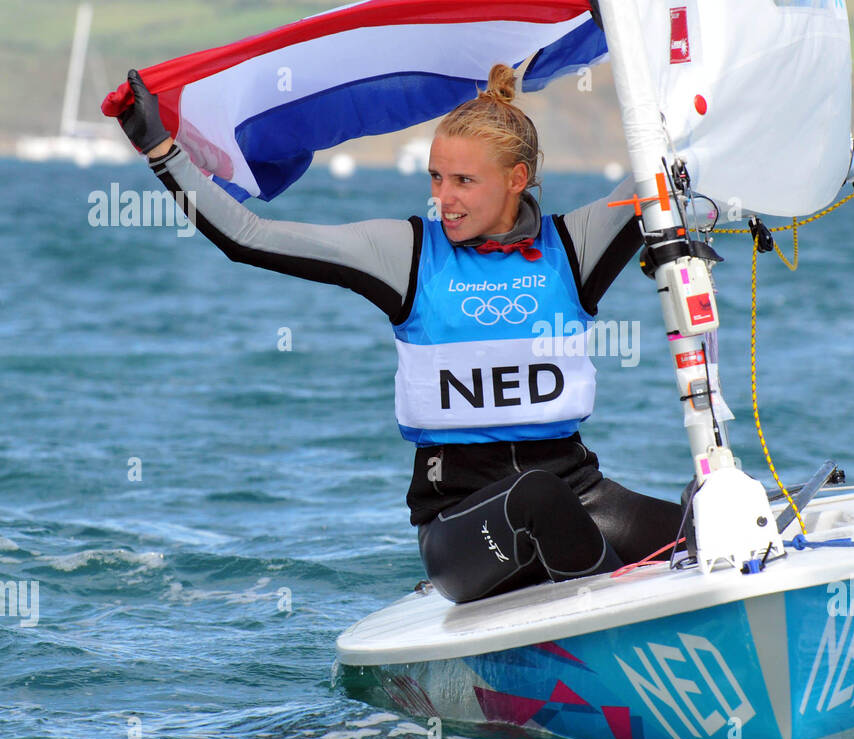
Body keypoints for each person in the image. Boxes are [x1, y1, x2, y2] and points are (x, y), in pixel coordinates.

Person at [115, 62, 686, 603]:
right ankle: (623, 618)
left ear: (518, 179)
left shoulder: (574, 245)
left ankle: (636, 593)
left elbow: (671, 165)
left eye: (465, 180)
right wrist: (163, 152)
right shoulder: (407, 254)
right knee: (537, 497)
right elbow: (249, 237)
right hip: (461, 530)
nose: (445, 199)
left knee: (722, 520)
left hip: (583, 497)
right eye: (437, 178)